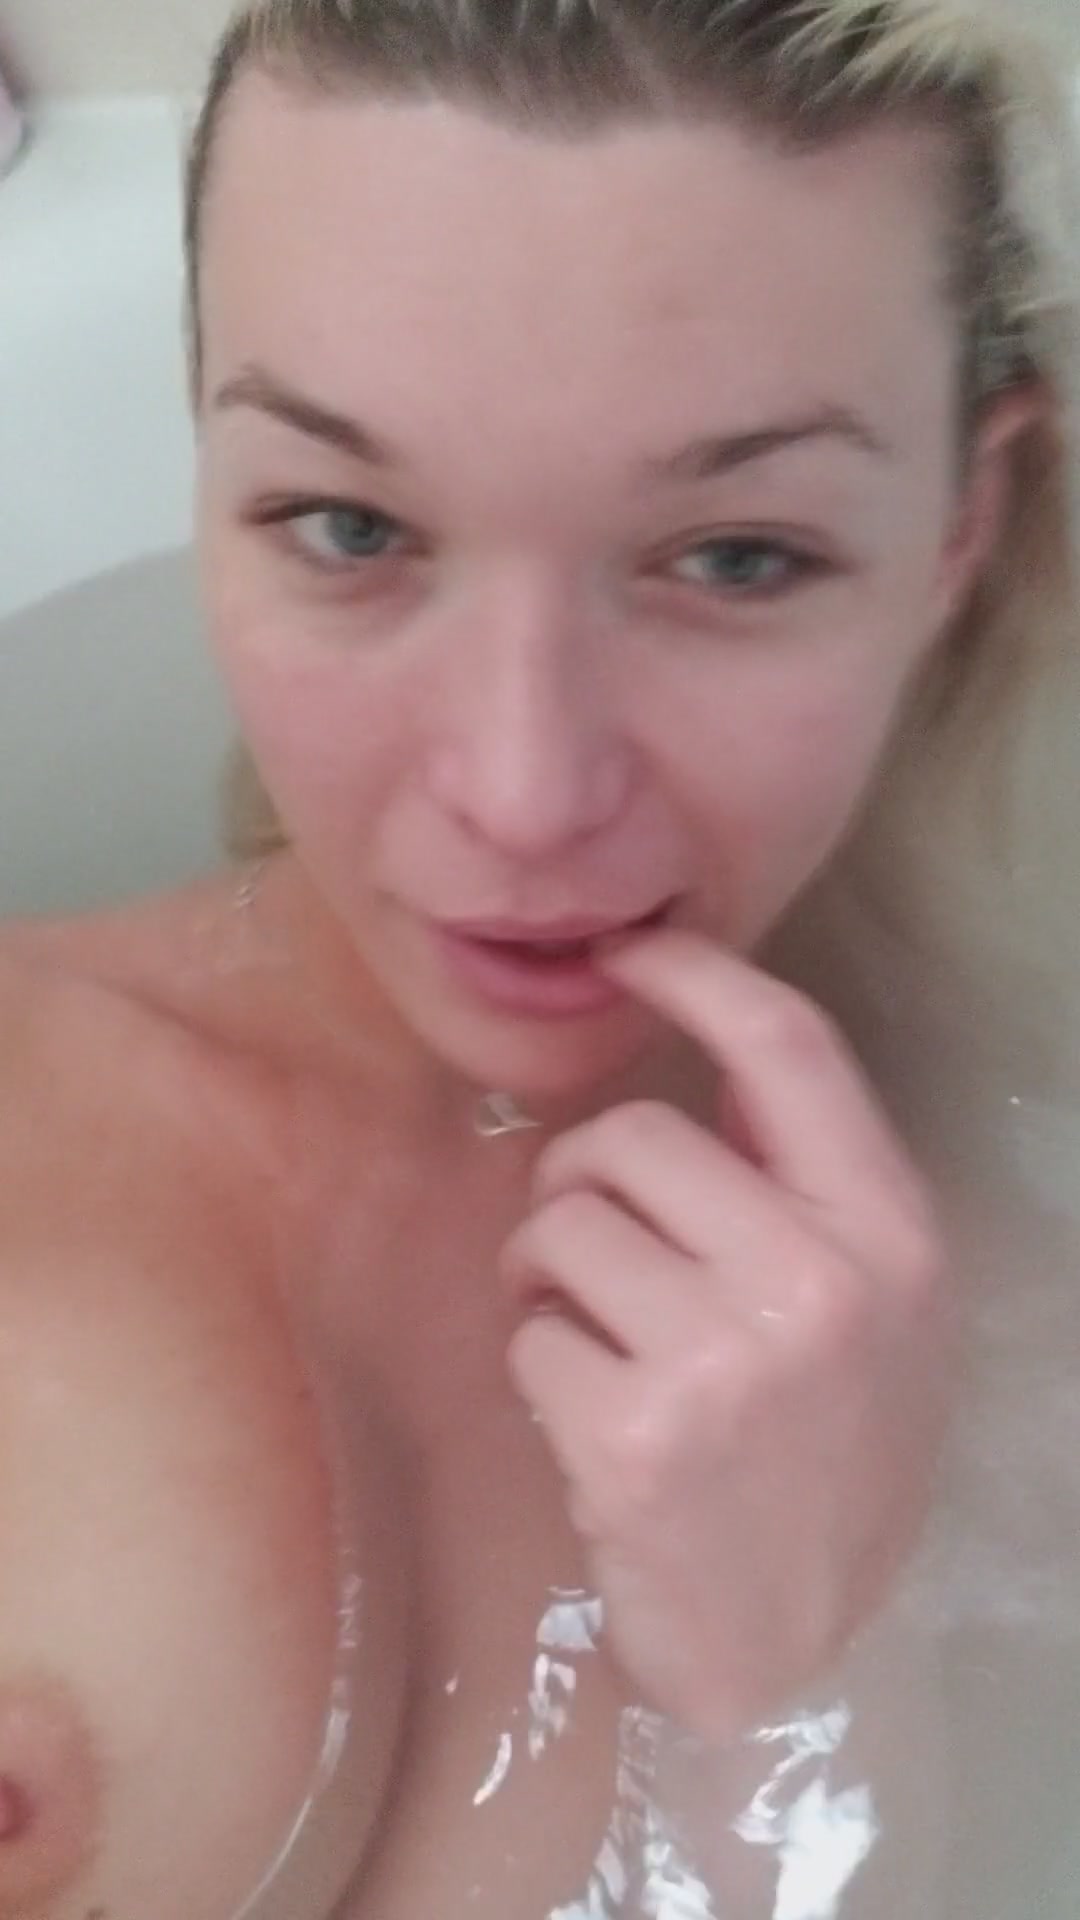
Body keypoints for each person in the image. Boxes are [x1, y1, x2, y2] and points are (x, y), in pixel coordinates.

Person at [1, 0, 1078, 1913]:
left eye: (737, 556)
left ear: (956, 530)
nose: (520, 794)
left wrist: (798, 1688)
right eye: (347, 525)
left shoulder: (1030, 1337)